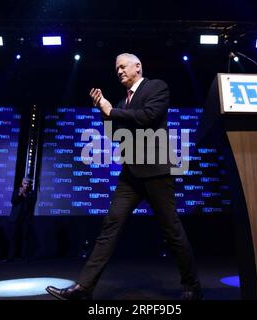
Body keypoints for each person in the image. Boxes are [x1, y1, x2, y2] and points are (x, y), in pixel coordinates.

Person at [46, 53, 202, 300]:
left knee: (172, 231)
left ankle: (192, 286)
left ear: (137, 66)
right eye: (116, 68)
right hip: (130, 174)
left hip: (156, 171)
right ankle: (83, 288)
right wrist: (103, 112)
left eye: (122, 66)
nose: (118, 71)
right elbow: (116, 136)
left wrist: (112, 111)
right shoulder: (122, 101)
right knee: (110, 227)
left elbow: (148, 118)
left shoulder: (156, 87)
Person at [6, 177, 37, 262]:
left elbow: (31, 204)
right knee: (13, 237)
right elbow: (13, 201)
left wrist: (24, 195)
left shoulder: (32, 193)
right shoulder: (16, 191)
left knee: (25, 238)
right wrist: (20, 194)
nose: (26, 186)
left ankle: (24, 257)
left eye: (28, 184)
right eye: (24, 184)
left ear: (30, 185)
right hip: (15, 218)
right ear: (22, 183)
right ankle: (11, 257)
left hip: (26, 218)